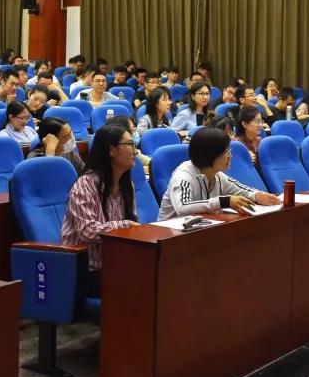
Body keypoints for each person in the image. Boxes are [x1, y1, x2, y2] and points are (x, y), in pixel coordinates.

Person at [60, 124, 139, 296]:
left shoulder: (127, 185)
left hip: (114, 263)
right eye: (130, 144)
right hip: (86, 270)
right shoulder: (85, 185)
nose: (136, 151)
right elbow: (87, 231)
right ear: (111, 150)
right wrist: (125, 225)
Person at [157, 127, 279, 221]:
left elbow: (241, 190)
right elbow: (182, 207)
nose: (230, 156)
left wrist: (258, 196)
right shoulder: (183, 176)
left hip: (197, 232)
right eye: (225, 151)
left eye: (229, 150)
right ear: (209, 155)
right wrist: (223, 201)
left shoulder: (218, 176)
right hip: (167, 235)